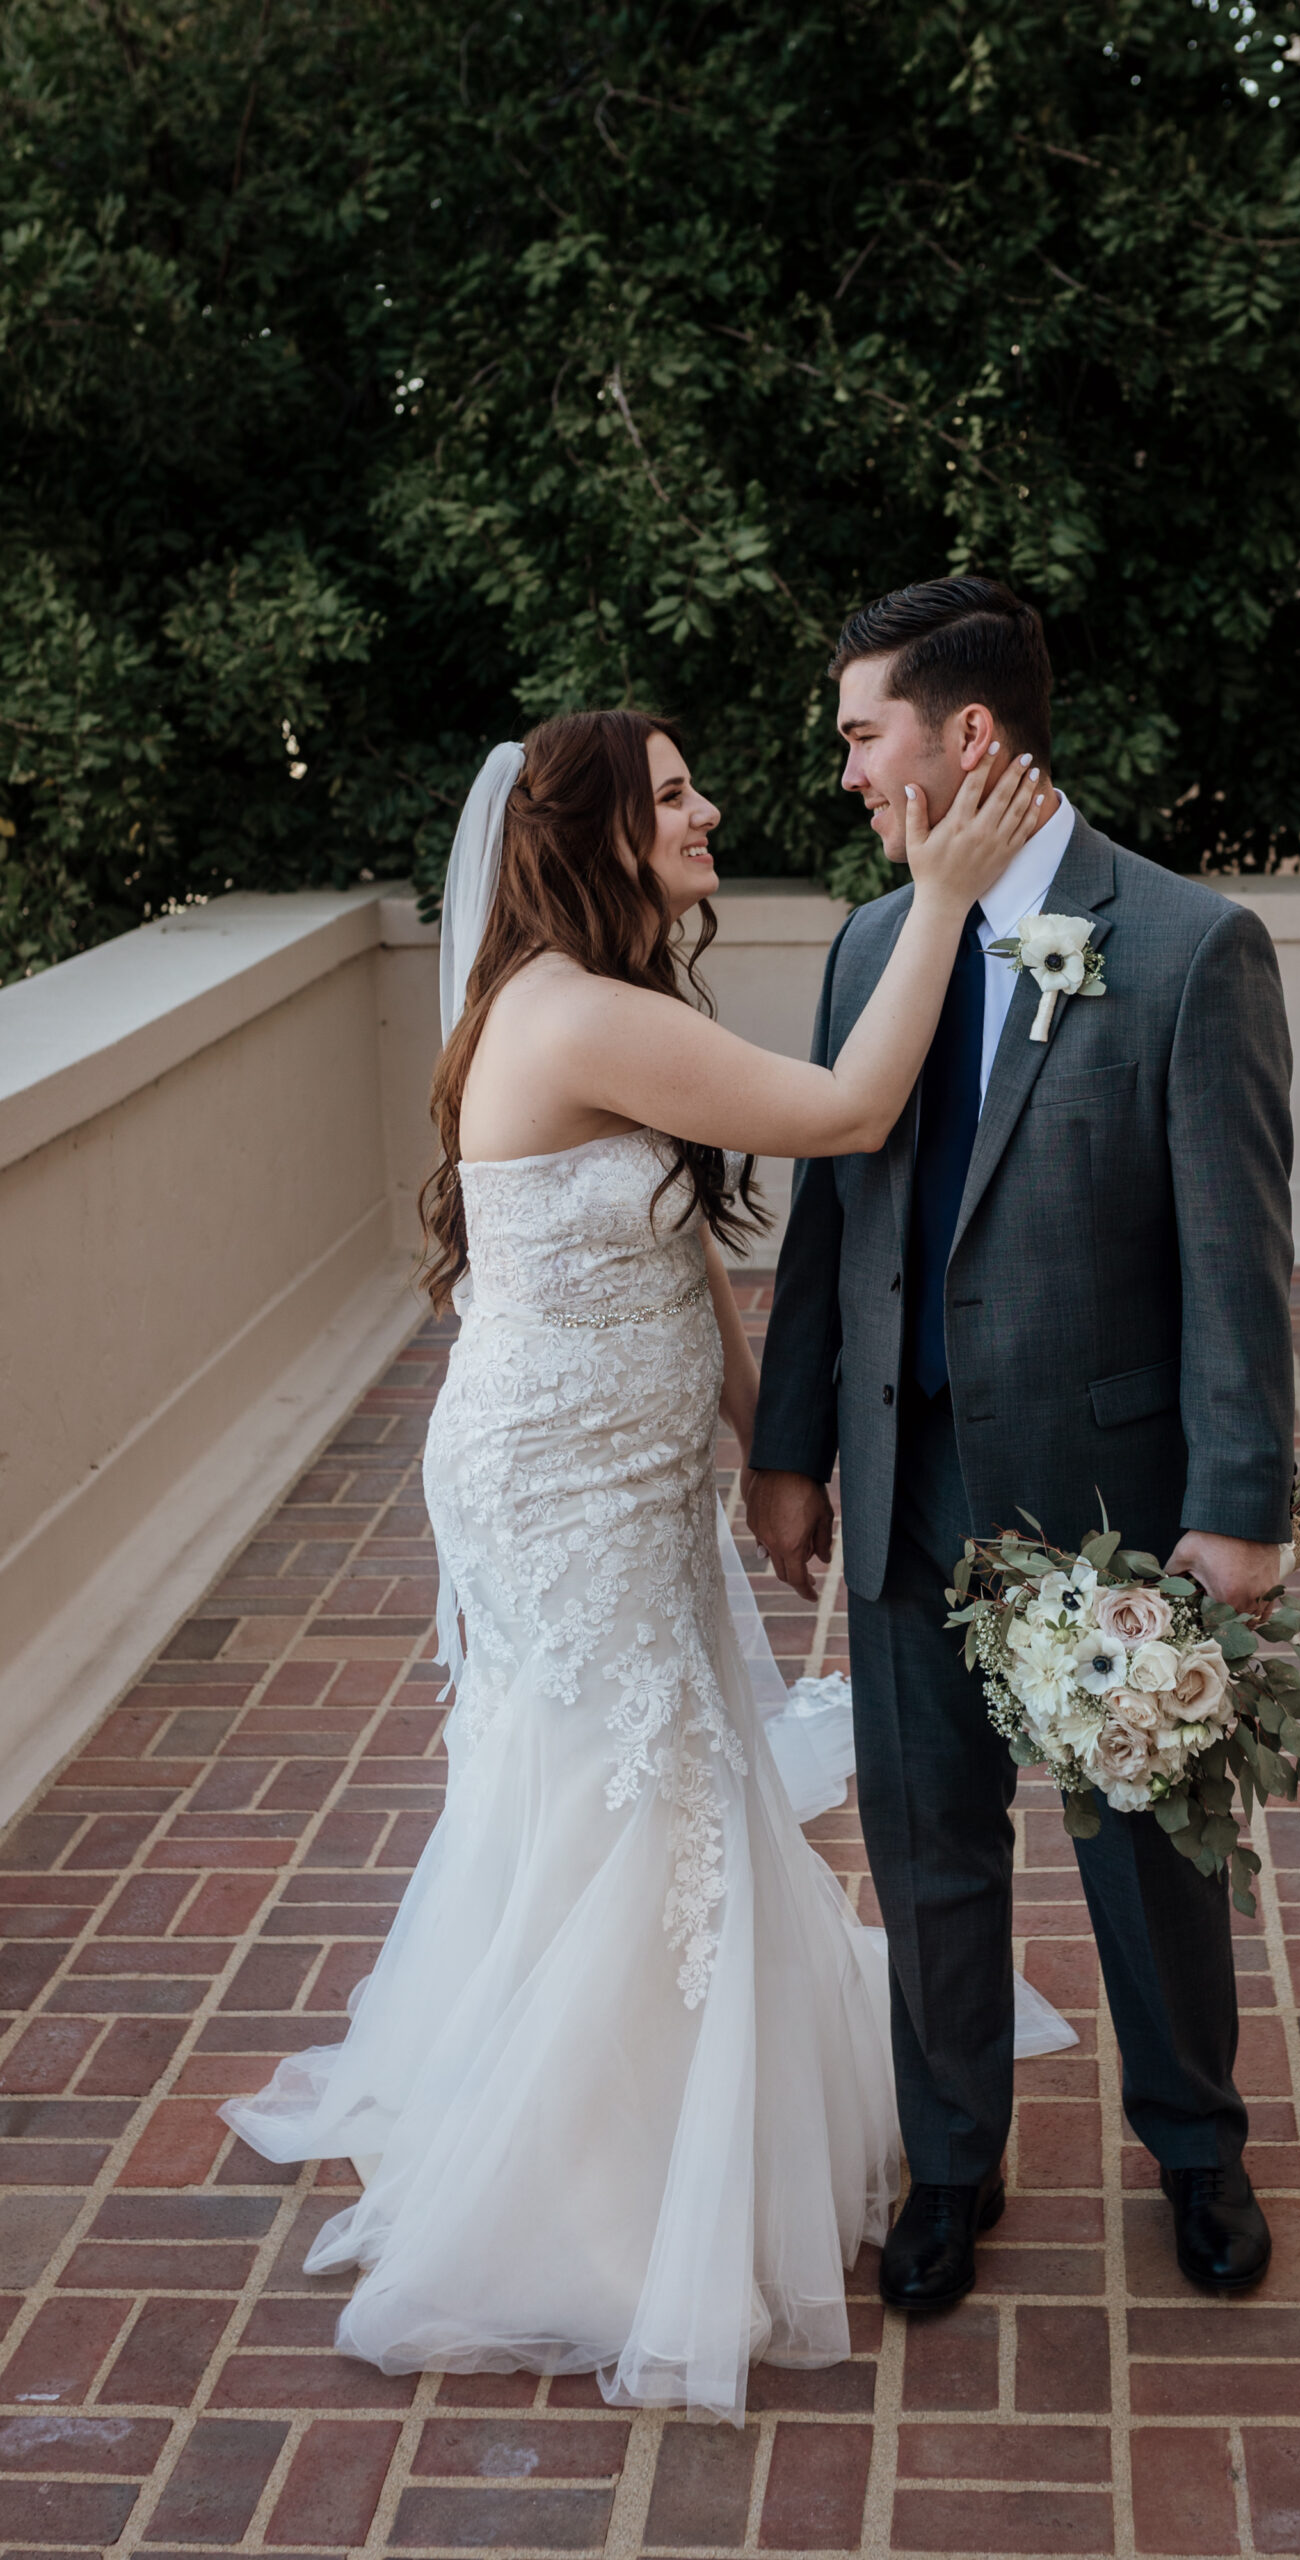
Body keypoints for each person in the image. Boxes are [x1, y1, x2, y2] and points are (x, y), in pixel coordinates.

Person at [221, 707, 1052, 2424]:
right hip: (556, 1481)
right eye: (672, 795)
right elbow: (845, 1108)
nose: (709, 810)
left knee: (649, 1779)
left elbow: (685, 1266)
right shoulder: (576, 1009)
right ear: (595, 826)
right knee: (635, 1790)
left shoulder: (618, 1004)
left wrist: (765, 1451)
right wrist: (953, 898)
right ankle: (599, 2201)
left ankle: (670, 2110)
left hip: (638, 1467)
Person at [747, 576, 1296, 2311]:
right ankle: (952, 2164)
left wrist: (1237, 1506)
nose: (847, 773)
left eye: (863, 734)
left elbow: (1238, 1256)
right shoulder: (860, 945)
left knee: (1142, 1837)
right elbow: (835, 1225)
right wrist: (789, 1447)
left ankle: (1196, 2149)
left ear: (967, 736)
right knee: (926, 1846)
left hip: (1111, 1499)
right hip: (908, 1486)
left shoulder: (1192, 944)